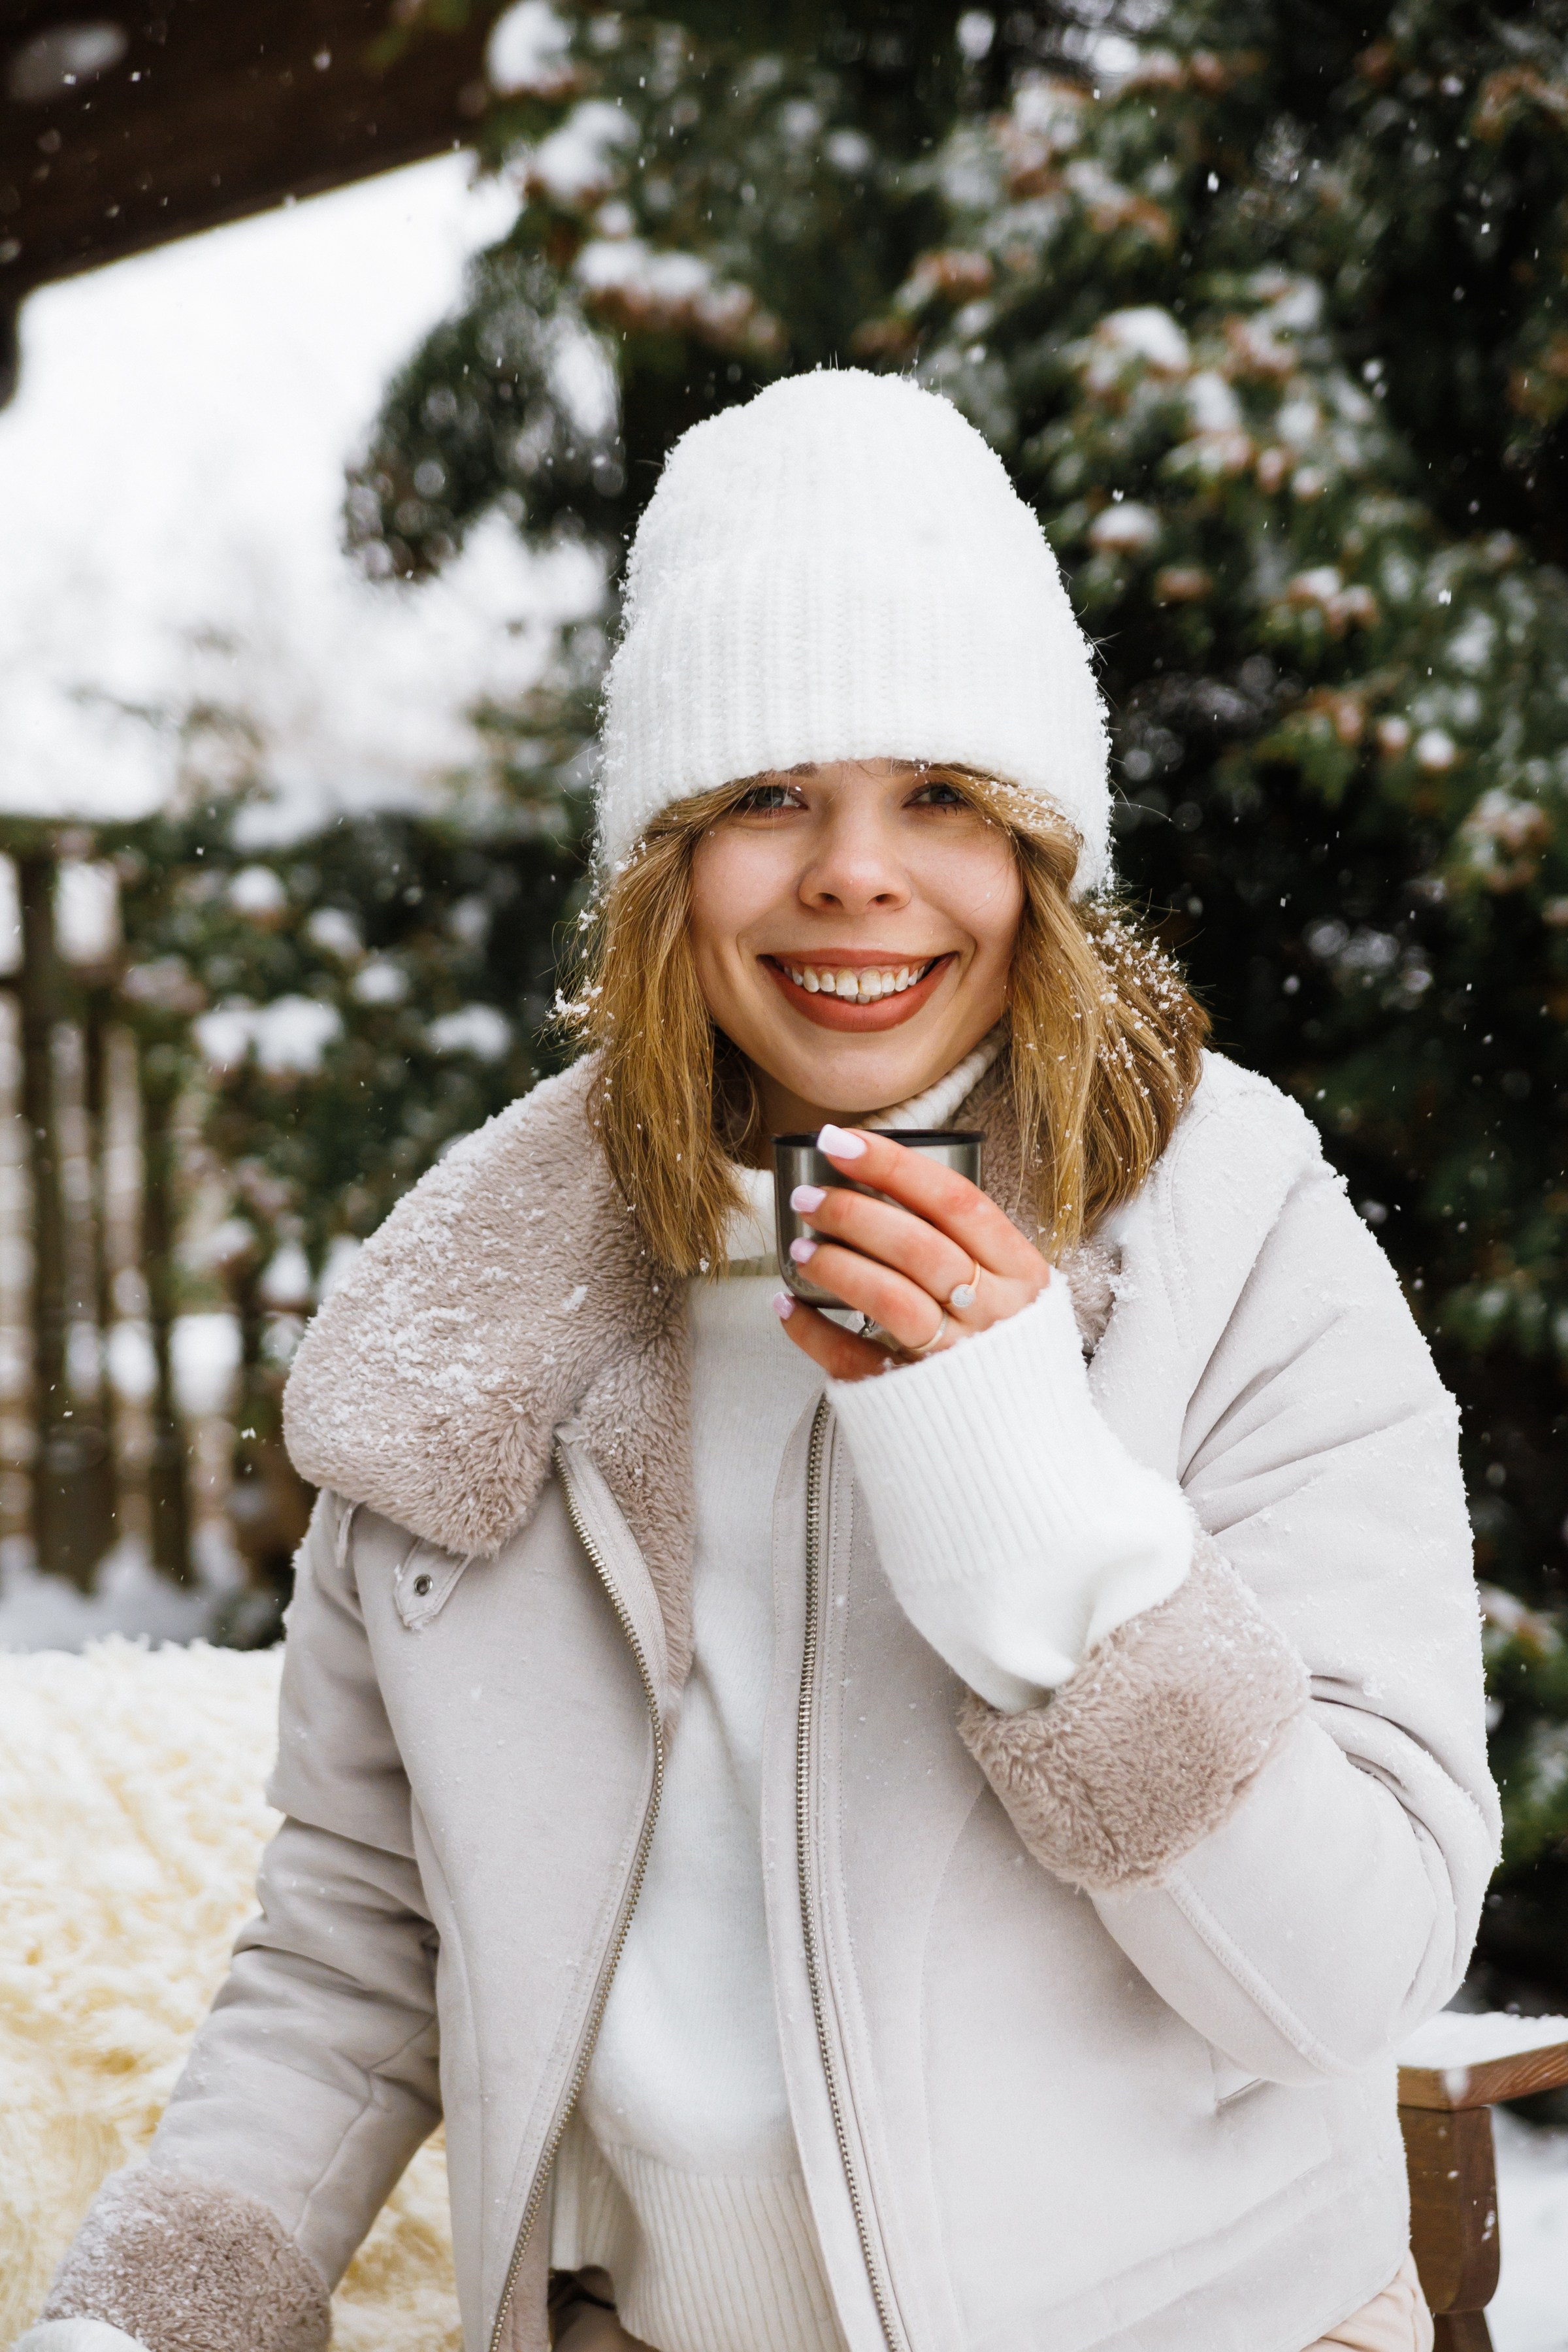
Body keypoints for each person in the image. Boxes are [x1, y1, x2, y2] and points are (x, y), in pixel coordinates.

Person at [26, 371, 1496, 2352]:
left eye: (942, 797)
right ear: (665, 869)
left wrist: (1037, 1518)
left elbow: (1356, 1974)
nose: (856, 876)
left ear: (1042, 860)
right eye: (769, 797)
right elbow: (356, 1958)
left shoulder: (1235, 1233)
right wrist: (151, 2317)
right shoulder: (476, 1299)